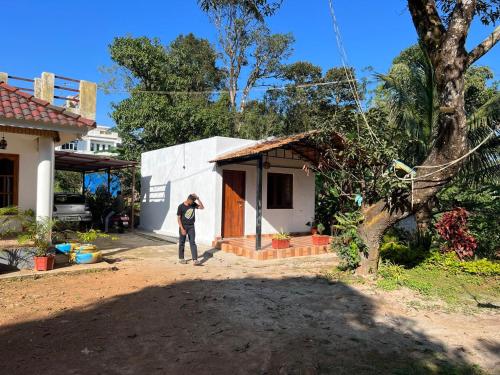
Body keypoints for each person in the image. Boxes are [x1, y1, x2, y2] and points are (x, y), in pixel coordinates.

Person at [177, 193, 204, 265]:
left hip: (191, 226)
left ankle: (195, 260)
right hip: (183, 226)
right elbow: (179, 218)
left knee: (192, 242)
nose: (192, 203)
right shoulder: (181, 206)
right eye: (192, 201)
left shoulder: (193, 204)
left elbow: (202, 207)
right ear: (188, 199)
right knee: (182, 242)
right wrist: (182, 229)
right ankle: (181, 258)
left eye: (193, 202)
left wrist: (198, 198)